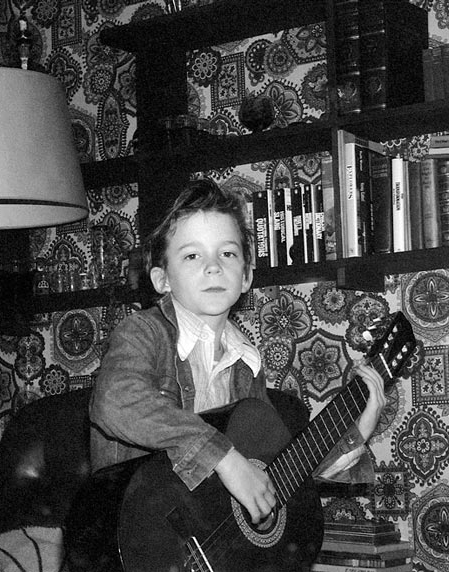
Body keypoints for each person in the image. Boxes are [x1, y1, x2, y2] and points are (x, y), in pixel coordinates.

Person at [89, 177, 386, 526]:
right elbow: (114, 401)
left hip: (202, 537)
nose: (213, 266)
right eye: (192, 255)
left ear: (245, 276)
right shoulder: (144, 332)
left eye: (227, 253)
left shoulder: (246, 362)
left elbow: (274, 469)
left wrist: (358, 429)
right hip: (135, 532)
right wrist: (223, 456)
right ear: (162, 280)